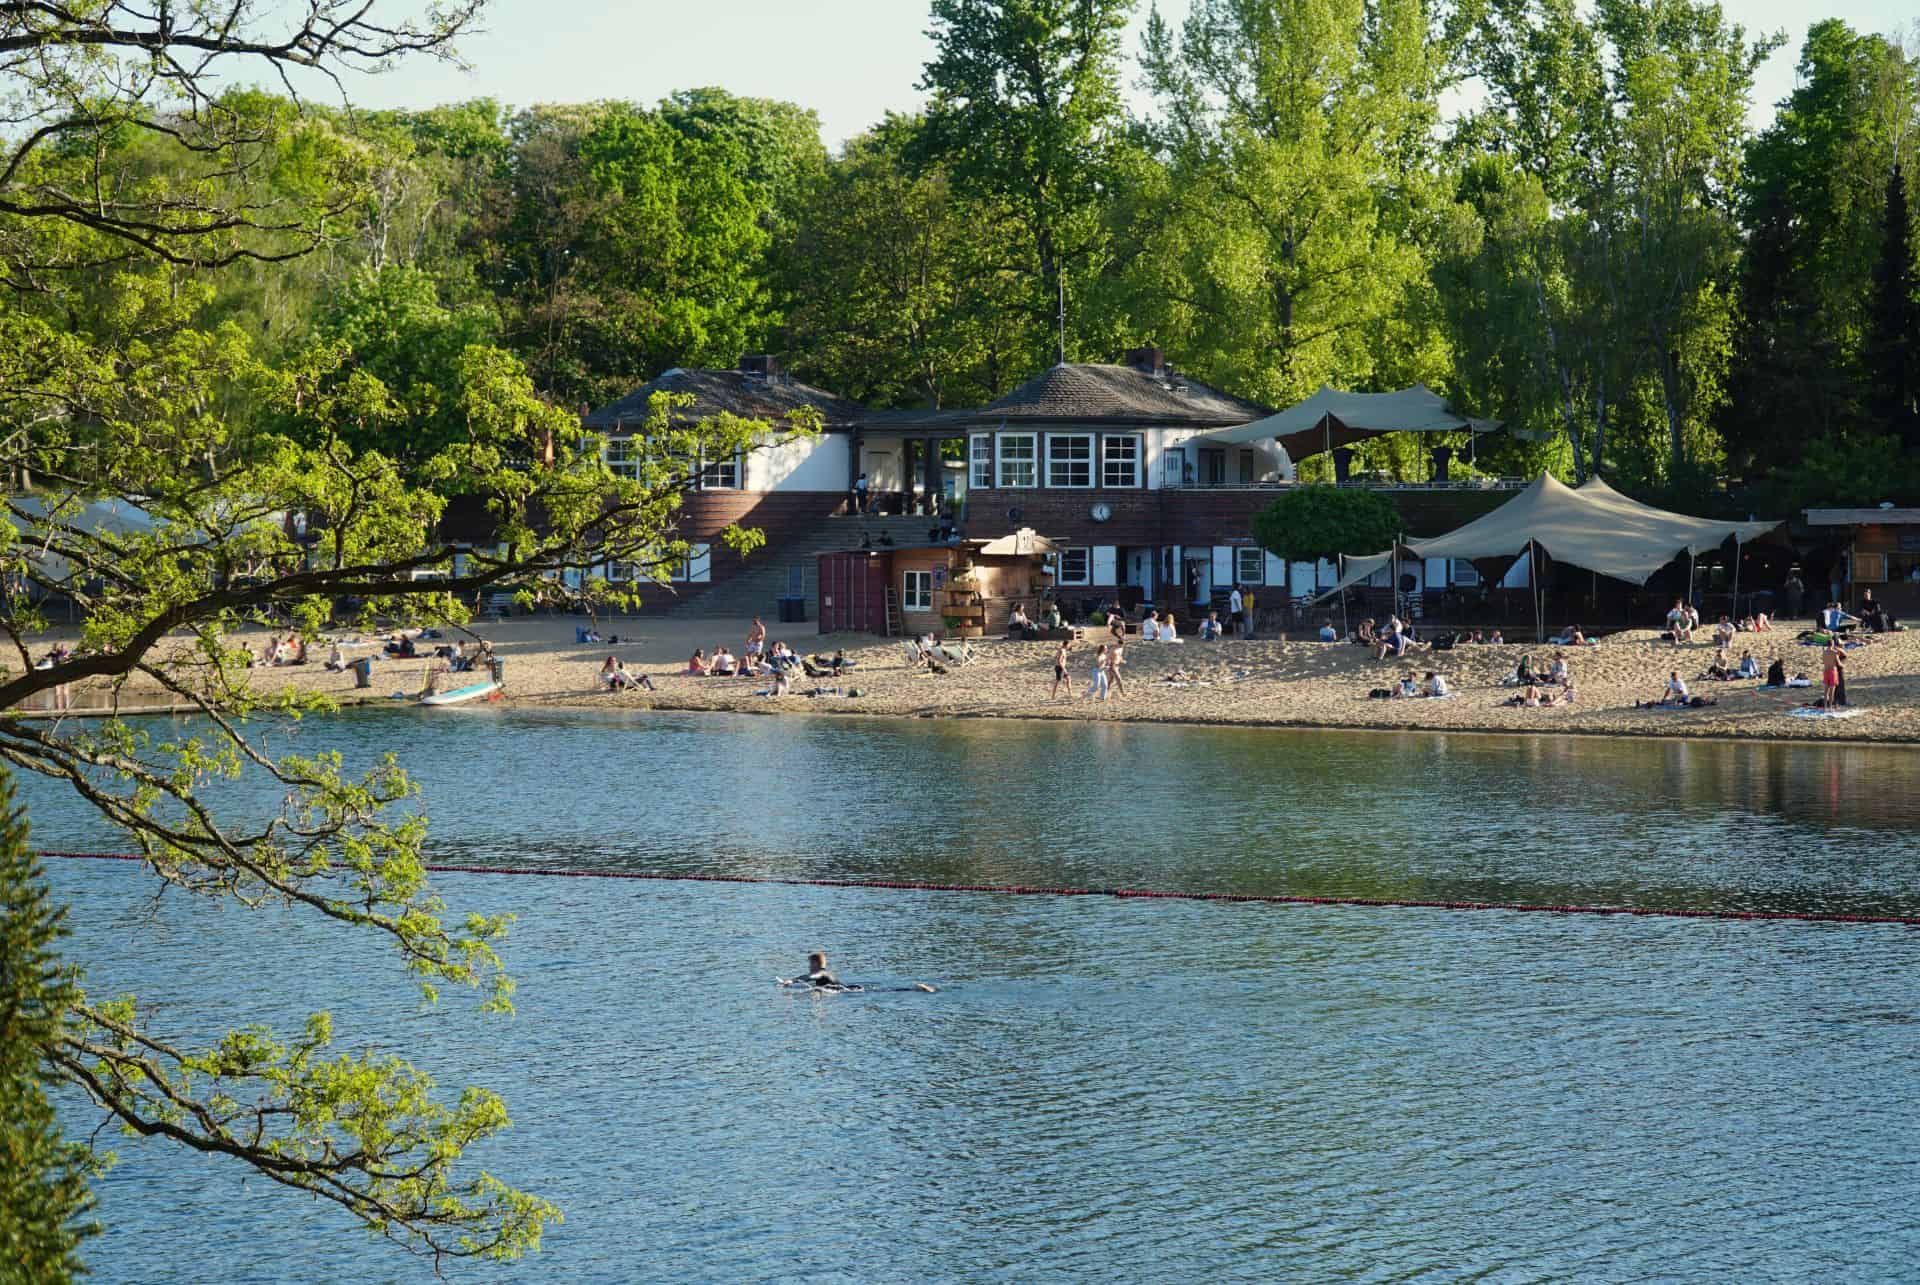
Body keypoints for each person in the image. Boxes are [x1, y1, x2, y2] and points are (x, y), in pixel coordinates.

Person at [1822, 637, 1844, 708]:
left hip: (1825, 671)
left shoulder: (1824, 652)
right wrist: (1843, 665)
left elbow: (1824, 661)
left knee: (1826, 691)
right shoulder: (1834, 653)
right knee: (1832, 691)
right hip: (1832, 671)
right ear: (1833, 644)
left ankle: (1825, 707)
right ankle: (1830, 707)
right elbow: (1839, 664)